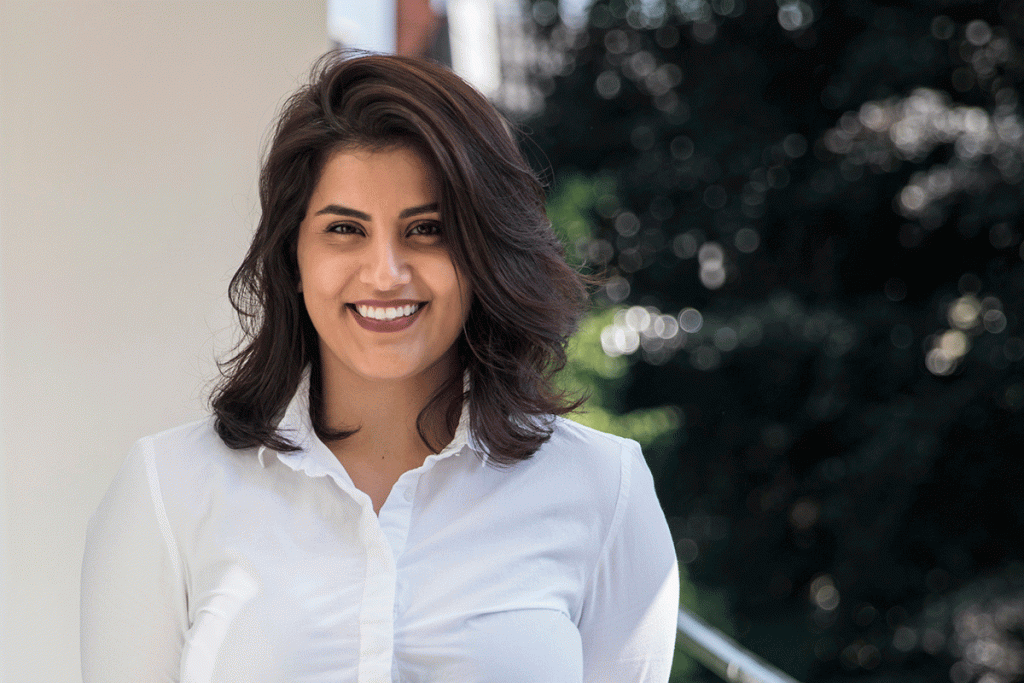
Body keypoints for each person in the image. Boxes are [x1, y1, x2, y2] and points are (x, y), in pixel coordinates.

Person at [81, 52, 679, 682]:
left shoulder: (604, 489)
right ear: (293, 255)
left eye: (426, 229)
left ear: (484, 252)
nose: (385, 274)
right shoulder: (167, 490)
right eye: (345, 228)